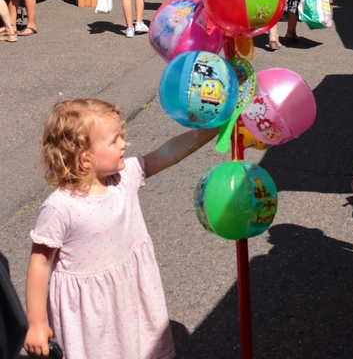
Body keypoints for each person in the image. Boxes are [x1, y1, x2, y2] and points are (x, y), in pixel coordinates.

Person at [24, 98, 217, 359]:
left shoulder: (123, 179)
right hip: (91, 315)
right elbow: (40, 264)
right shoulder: (60, 208)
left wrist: (214, 130)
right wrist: (36, 324)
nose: (123, 144)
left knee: (137, 346)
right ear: (86, 159)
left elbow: (168, 153)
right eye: (114, 141)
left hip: (130, 294)